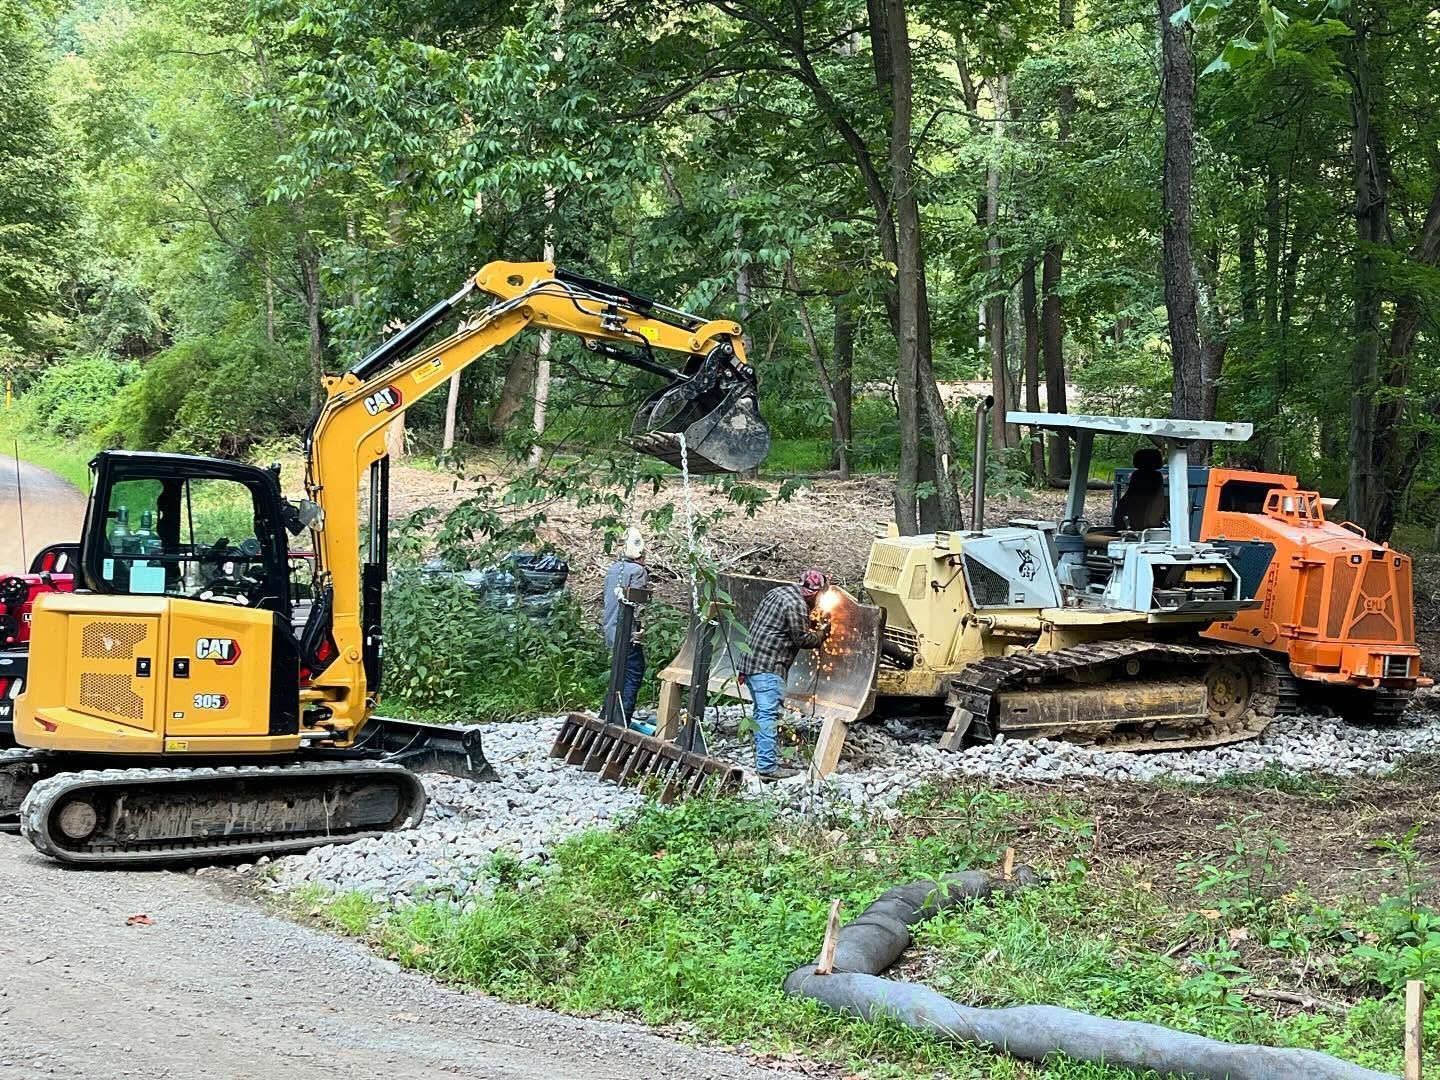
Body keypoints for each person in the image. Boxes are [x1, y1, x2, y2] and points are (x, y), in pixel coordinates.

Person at [737, 568, 832, 781]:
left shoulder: (778, 593)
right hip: (768, 668)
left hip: (750, 664)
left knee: (761, 713)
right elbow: (802, 640)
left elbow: (778, 626)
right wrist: (822, 634)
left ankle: (763, 761)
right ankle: (768, 768)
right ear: (816, 593)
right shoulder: (797, 605)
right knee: (769, 717)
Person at [602, 527, 649, 722]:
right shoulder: (638, 571)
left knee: (618, 673)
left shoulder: (613, 569)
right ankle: (623, 717)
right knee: (634, 671)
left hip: (611, 630)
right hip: (626, 632)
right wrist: (637, 630)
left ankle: (607, 713)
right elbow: (635, 602)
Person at [1114, 446, 1167, 532]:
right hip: (1127, 525)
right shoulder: (1137, 476)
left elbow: (1155, 509)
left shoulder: (1154, 478)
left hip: (1139, 529)